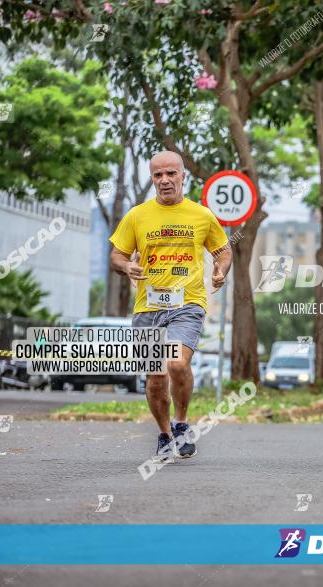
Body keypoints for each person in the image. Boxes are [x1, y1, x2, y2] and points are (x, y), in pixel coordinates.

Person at [109, 151, 231, 462]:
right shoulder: (137, 215)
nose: (165, 180)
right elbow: (117, 255)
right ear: (152, 178)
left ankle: (182, 422)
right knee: (155, 377)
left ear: (182, 176)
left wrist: (220, 271)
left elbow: (223, 251)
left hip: (187, 302)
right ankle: (164, 433)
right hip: (148, 306)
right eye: (158, 175)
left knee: (176, 363)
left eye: (171, 174)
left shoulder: (201, 215)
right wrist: (126, 268)